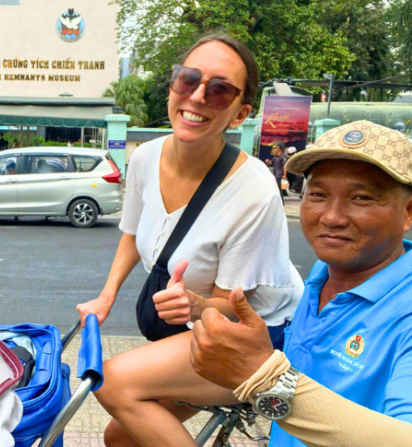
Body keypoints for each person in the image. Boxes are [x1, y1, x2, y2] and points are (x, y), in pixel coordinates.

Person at [76, 33, 303, 446]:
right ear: (173, 86)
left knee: (110, 383)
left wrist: (196, 304)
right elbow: (130, 233)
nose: (197, 96)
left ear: (239, 114)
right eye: (188, 79)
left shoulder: (254, 191)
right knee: (121, 439)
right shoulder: (145, 157)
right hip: (195, 329)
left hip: (254, 335)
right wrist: (105, 297)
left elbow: (234, 310)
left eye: (219, 91)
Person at [191, 120, 412, 447]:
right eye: (318, 195)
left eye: (362, 198)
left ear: (408, 213)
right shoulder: (323, 274)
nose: (332, 217)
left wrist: (265, 378)